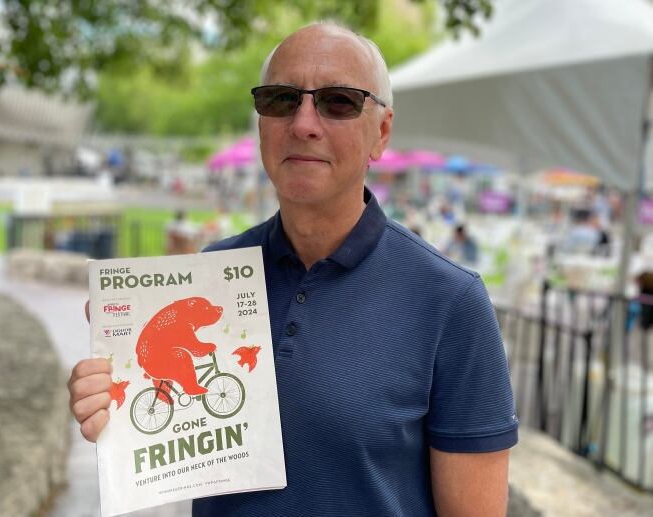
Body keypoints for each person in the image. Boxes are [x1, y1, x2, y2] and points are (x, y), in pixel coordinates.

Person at [68, 23, 516, 516]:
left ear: (382, 132)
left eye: (339, 101)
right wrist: (114, 402)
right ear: (261, 122)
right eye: (281, 99)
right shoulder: (212, 272)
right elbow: (163, 427)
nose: (303, 123)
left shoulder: (450, 302)